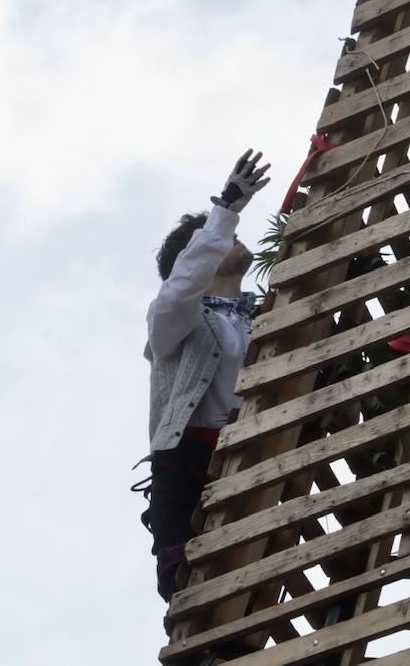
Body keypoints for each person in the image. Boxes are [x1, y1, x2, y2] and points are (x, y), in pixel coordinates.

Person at [135, 149, 270, 613]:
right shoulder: (173, 318)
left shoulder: (263, 317)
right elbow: (182, 286)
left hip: (254, 450)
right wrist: (225, 209)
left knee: (257, 575)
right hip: (191, 456)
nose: (229, 239)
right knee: (189, 582)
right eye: (211, 241)